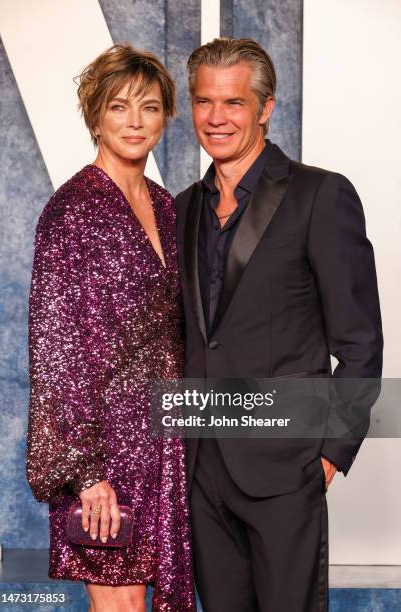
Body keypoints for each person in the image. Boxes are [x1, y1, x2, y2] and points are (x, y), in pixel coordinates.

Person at [175, 37, 383, 611]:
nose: (216, 118)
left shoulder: (320, 195)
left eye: (234, 103)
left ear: (265, 108)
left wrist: (329, 455)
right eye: (203, 102)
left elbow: (361, 342)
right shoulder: (182, 207)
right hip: (201, 467)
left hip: (285, 468)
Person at [26, 44, 195, 612]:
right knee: (119, 604)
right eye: (119, 107)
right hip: (103, 449)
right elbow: (56, 350)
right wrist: (86, 471)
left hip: (165, 440)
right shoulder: (71, 210)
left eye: (148, 107)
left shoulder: (167, 207)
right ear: (95, 116)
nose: (134, 121)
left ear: (165, 117)